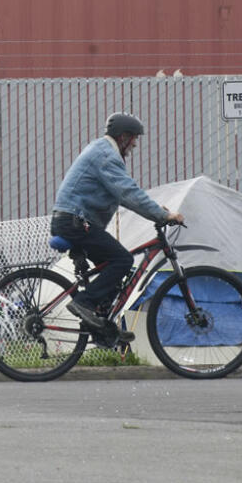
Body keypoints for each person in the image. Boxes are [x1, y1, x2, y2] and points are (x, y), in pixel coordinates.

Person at [52, 112, 184, 338]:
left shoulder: (102, 150)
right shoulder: (106, 155)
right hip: (75, 223)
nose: (134, 144)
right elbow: (127, 192)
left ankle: (103, 329)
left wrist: (158, 211)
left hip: (73, 221)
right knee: (122, 260)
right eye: (133, 138)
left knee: (113, 276)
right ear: (123, 136)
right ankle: (83, 303)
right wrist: (161, 217)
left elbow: (125, 193)